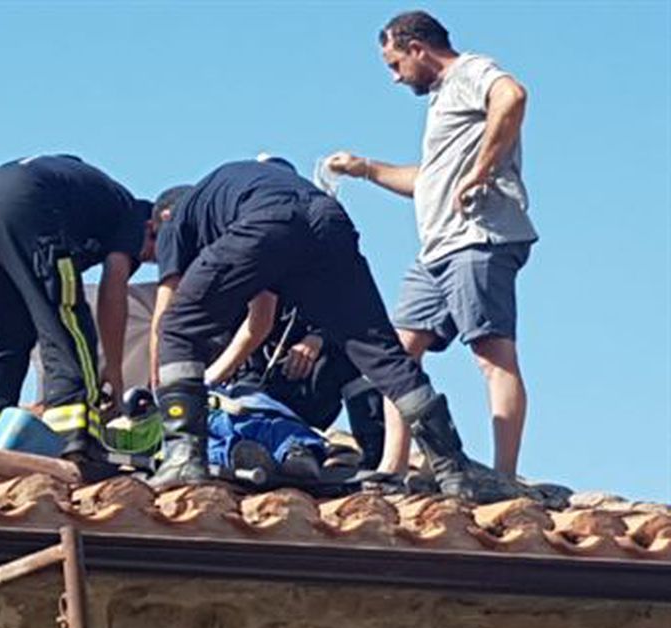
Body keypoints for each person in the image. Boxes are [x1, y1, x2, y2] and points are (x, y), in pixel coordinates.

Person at [147, 158, 486, 501]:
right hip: (329, 217)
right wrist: (210, 379)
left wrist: (161, 386)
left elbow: (166, 317)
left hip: (268, 222)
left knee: (178, 328)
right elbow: (260, 322)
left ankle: (183, 457)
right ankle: (453, 469)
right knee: (381, 353)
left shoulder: (175, 219)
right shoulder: (241, 198)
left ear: (162, 218)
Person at [326, 11, 537, 480]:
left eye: (394, 63)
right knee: (397, 355)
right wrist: (364, 167)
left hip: (476, 240)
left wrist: (481, 171)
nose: (394, 77)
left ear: (417, 48)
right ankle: (392, 464)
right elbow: (429, 180)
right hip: (438, 247)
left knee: (491, 355)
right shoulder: (444, 101)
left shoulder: (469, 73)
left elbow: (512, 95)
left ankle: (505, 477)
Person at [0, 154, 156, 472]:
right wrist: (113, 370)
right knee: (66, 323)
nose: (145, 259)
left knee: (6, 335)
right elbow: (112, 290)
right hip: (26, 205)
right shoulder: (131, 212)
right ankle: (74, 438)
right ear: (154, 225)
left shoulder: (88, 198)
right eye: (154, 253)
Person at [211, 297, 386, 471]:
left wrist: (319, 336)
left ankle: (311, 450)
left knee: (358, 357)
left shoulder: (325, 282)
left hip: (303, 396)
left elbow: (357, 321)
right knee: (212, 417)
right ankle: (230, 455)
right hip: (248, 398)